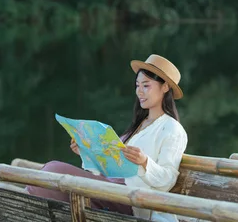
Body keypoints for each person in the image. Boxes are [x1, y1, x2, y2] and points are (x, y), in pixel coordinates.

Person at [26, 54, 188, 222]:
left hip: (132, 199)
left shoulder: (172, 129)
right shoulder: (139, 125)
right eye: (137, 85)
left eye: (146, 86)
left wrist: (145, 162)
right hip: (108, 188)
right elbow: (109, 167)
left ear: (165, 87)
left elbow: (168, 179)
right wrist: (85, 151)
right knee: (47, 178)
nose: (139, 91)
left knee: (53, 170)